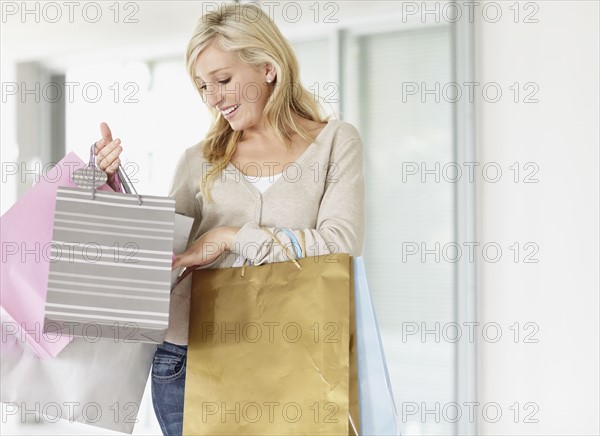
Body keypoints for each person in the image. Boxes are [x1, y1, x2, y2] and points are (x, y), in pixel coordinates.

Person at [94, 3, 365, 435]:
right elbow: (161, 257)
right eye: (203, 86)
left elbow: (341, 243)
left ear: (268, 68)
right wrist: (110, 186)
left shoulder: (335, 142)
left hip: (294, 355)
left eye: (223, 80)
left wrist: (231, 236)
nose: (213, 98)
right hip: (189, 357)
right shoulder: (198, 160)